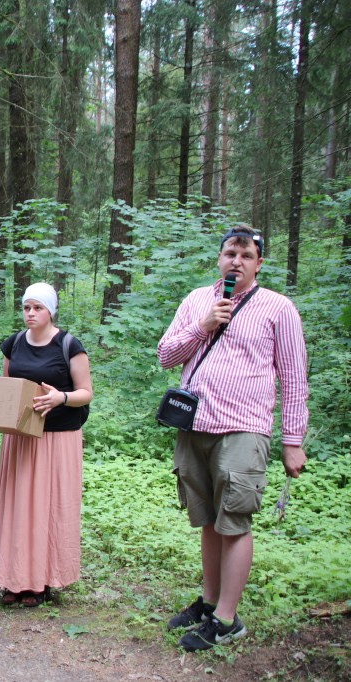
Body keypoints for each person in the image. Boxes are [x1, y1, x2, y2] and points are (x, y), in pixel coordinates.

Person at [158, 225, 307, 652]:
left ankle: (226, 620)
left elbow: (294, 379)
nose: (236, 262)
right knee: (208, 519)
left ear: (259, 263)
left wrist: (292, 440)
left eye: (246, 256)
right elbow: (166, 355)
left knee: (234, 521)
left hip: (244, 428)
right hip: (195, 425)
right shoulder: (196, 300)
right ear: (219, 258)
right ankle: (209, 603)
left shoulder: (278, 308)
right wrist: (203, 326)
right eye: (230, 254)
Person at [0, 283, 93, 607]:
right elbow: (7, 387)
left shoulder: (69, 346)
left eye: (38, 308)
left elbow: (86, 392)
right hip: (21, 438)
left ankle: (42, 581)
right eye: (26, 307)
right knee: (18, 507)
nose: (31, 313)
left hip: (57, 440)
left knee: (48, 509)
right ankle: (14, 579)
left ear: (51, 311)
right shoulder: (14, 344)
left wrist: (61, 397)